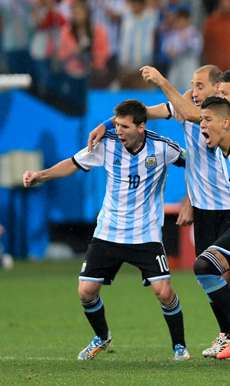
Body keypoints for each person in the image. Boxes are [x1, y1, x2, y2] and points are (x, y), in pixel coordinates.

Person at [22, 99, 190, 361]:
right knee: (86, 292)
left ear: (141, 126)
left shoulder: (163, 147)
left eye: (124, 126)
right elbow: (72, 163)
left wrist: (190, 201)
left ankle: (179, 346)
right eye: (117, 125)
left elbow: (194, 165)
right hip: (108, 232)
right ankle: (102, 337)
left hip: (145, 234)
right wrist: (39, 176)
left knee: (164, 292)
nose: (119, 130)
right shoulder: (107, 144)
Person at [138, 65, 230, 360]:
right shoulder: (185, 105)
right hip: (203, 209)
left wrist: (163, 80)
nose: (194, 91)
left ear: (217, 90)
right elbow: (150, 114)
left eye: (199, 86)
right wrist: (111, 123)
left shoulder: (224, 116)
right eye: (191, 86)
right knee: (217, 277)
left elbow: (189, 113)